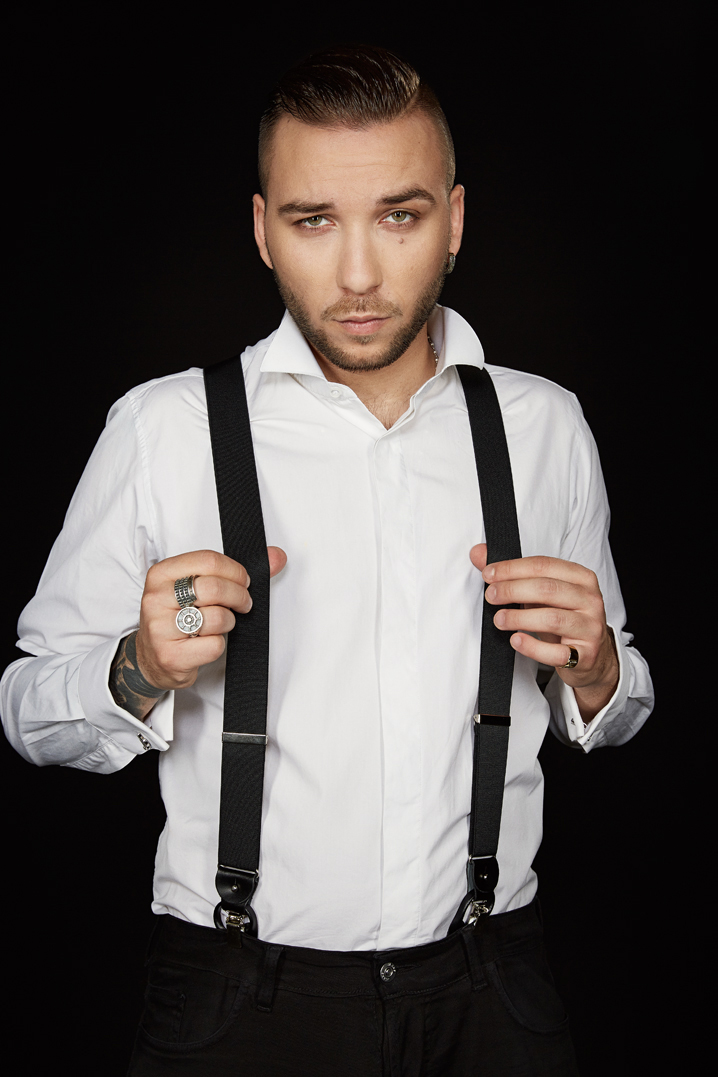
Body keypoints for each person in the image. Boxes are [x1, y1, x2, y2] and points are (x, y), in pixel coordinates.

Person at [1, 44, 653, 1076]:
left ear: (454, 220)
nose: (358, 275)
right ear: (263, 230)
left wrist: (600, 666)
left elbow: (618, 700)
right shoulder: (163, 430)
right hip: (239, 1004)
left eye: (399, 216)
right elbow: (27, 708)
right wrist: (139, 666)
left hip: (492, 991)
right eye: (314, 221)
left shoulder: (544, 428)